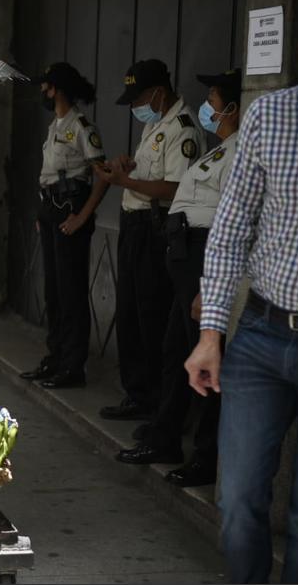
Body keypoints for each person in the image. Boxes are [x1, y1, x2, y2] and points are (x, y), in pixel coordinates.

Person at [185, 0, 298, 584]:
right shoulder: (272, 118)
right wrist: (210, 333)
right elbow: (229, 230)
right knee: (238, 503)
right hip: (261, 338)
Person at [116, 69, 242, 487]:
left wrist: (210, 284)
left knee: (201, 358)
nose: (208, 104)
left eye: (214, 97)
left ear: (234, 108)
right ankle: (164, 435)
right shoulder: (221, 150)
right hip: (185, 252)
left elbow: (233, 223)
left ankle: (204, 457)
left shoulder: (241, 153)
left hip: (204, 259)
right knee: (175, 350)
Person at [93, 59, 205, 422]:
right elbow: (150, 174)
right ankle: (138, 395)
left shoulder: (183, 129)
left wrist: (126, 183)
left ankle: (158, 404)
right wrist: (127, 168)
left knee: (151, 315)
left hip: (156, 229)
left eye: (138, 98)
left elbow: (175, 189)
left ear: (158, 92)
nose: (134, 108)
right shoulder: (157, 124)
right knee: (129, 314)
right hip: (134, 225)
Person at [19, 63, 108, 389]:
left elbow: (102, 175)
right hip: (51, 210)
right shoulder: (55, 126)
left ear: (55, 88)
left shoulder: (82, 126)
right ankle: (55, 357)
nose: (42, 91)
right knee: (54, 292)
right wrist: (43, 214)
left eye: (46, 86)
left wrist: (83, 216)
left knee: (70, 293)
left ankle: (73, 366)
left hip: (71, 211)